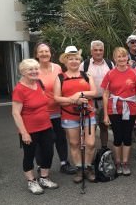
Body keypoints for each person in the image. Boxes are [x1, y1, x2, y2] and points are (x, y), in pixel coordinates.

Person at [12, 59, 59, 195]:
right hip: (29, 129)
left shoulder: (39, 83)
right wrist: (24, 133)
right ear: (23, 72)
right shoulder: (19, 89)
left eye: (36, 69)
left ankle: (44, 178)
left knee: (48, 153)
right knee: (29, 156)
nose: (34, 72)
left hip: (46, 126)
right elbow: (15, 113)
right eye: (30, 69)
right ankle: (31, 181)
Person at [54, 46, 97, 183]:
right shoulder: (60, 77)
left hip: (88, 114)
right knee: (74, 143)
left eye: (76, 59)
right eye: (71, 59)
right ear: (65, 62)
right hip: (69, 115)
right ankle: (80, 168)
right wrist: (73, 100)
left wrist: (80, 94)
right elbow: (57, 98)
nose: (74, 61)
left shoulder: (86, 75)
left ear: (80, 61)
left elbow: (94, 93)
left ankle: (88, 166)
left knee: (90, 143)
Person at [34, 43, 76, 174]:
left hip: (58, 111)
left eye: (46, 51)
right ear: (36, 54)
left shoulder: (57, 68)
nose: (44, 54)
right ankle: (41, 166)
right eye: (41, 52)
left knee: (60, 138)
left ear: (50, 53)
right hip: (41, 112)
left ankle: (64, 163)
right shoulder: (33, 69)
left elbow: (64, 85)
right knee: (42, 140)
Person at [102, 47, 136, 176]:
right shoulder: (110, 74)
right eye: (118, 57)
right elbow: (105, 94)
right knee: (117, 137)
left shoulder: (134, 73)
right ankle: (118, 162)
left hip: (130, 109)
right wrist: (105, 114)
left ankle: (125, 162)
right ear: (114, 59)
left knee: (127, 137)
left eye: (124, 56)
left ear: (128, 58)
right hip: (114, 109)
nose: (121, 59)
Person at [79, 40, 113, 150]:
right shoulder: (84, 65)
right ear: (91, 51)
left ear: (104, 51)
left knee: (104, 127)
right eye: (95, 50)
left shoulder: (109, 64)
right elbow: (78, 82)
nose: (98, 52)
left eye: (100, 50)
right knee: (90, 128)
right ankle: (89, 152)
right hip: (90, 102)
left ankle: (104, 149)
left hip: (105, 101)